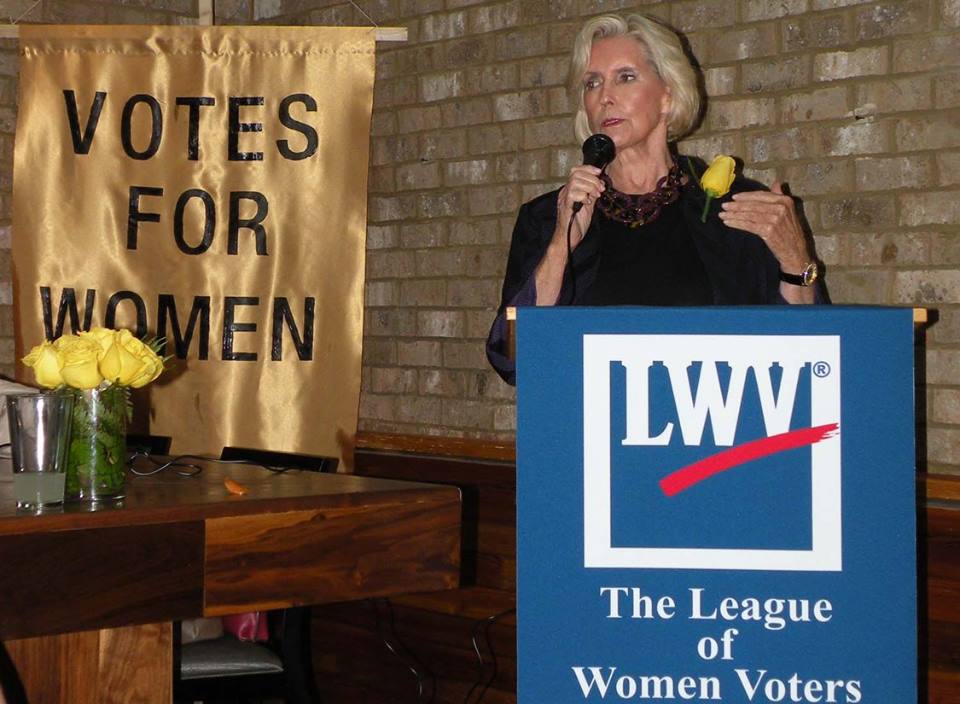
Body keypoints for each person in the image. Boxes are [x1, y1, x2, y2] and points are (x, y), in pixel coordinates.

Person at [486, 14, 824, 385]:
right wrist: (560, 245)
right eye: (592, 83)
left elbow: (806, 355)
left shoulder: (736, 208)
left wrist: (796, 260)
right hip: (591, 436)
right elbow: (512, 357)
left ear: (669, 94)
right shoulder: (549, 218)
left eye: (625, 77)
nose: (605, 96)